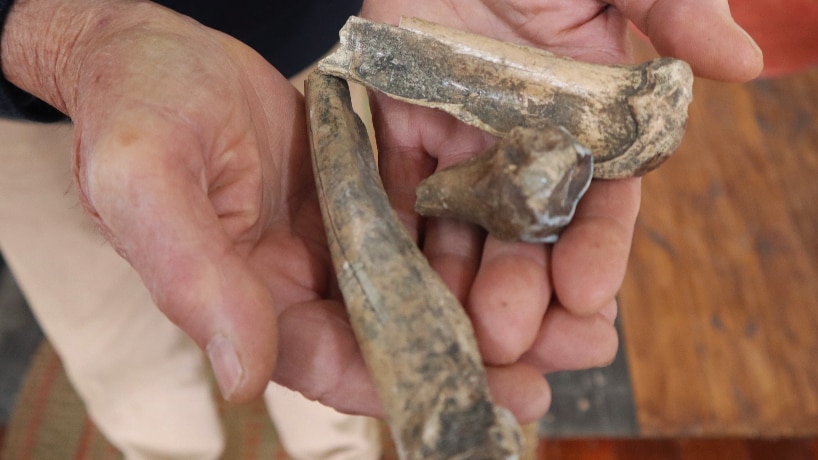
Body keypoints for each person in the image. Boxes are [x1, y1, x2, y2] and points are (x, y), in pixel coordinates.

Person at [0, 0, 763, 458]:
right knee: (119, 348)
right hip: (41, 78)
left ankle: (332, 447)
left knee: (301, 307)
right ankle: (160, 447)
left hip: (339, 29)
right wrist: (55, 34)